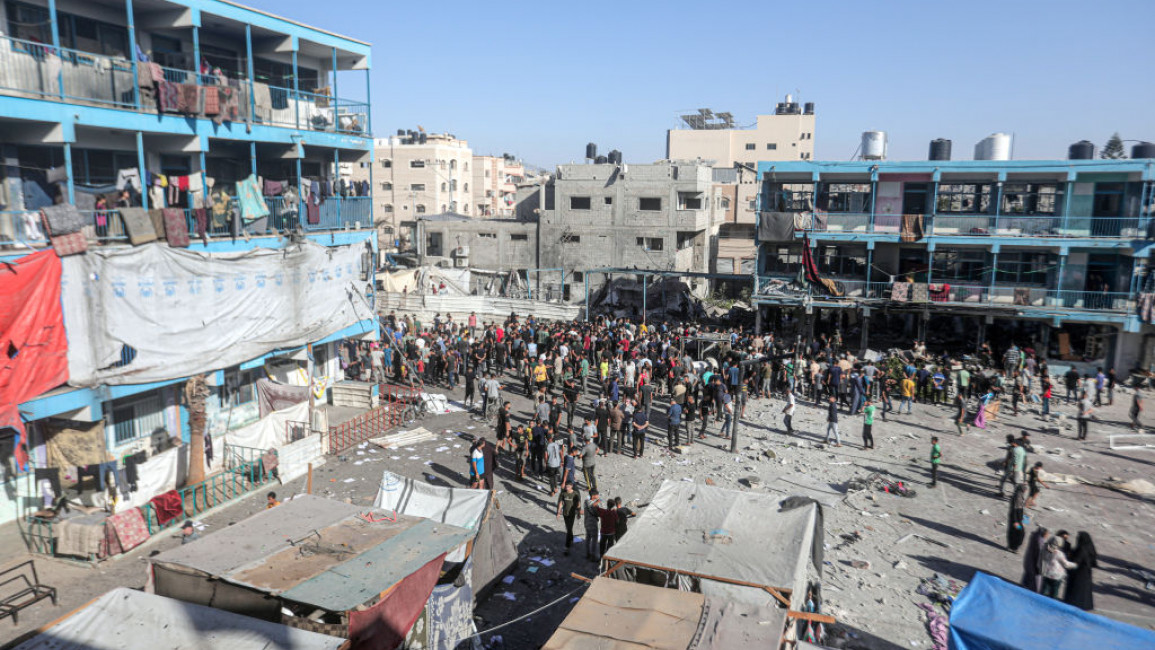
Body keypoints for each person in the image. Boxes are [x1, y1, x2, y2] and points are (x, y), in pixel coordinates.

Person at [1063, 531, 1098, 611]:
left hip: (1079, 573)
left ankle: (1075, 603)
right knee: (1085, 591)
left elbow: (1077, 560)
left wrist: (1068, 559)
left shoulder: (1082, 549)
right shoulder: (1089, 547)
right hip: (1086, 572)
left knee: (1077, 589)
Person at [555, 482, 581, 556]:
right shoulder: (563, 494)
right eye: (566, 487)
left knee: (569, 529)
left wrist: (578, 513)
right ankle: (571, 540)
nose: (567, 488)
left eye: (568, 487)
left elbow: (578, 504)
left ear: (571, 487)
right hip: (565, 514)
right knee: (569, 528)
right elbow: (561, 503)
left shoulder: (575, 494)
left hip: (572, 514)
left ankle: (567, 547)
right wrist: (558, 512)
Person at [1022, 526, 1049, 592]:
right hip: (1034, 566)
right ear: (1044, 534)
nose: (1047, 536)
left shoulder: (1034, 538)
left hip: (1028, 562)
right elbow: (1039, 556)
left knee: (1026, 578)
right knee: (1033, 584)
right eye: (1047, 534)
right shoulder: (1040, 542)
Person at [1007, 484, 1028, 552]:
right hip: (1015, 519)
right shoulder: (1017, 497)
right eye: (1025, 489)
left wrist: (1025, 518)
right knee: (1019, 532)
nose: (1025, 490)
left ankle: (1014, 547)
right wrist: (1015, 521)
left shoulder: (1020, 495)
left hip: (1018, 518)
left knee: (1018, 532)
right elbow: (1015, 510)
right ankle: (1013, 547)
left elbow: (1020, 508)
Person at [583, 490, 602, 561]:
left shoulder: (586, 502)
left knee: (588, 538)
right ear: (593, 495)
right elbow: (594, 509)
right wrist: (597, 502)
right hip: (592, 523)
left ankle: (588, 554)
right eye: (597, 494)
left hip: (587, 522)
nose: (598, 496)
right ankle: (593, 556)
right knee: (594, 539)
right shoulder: (589, 502)